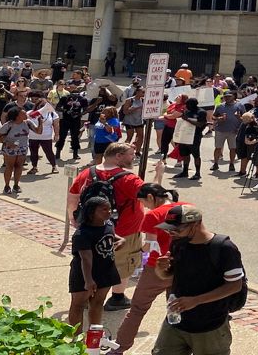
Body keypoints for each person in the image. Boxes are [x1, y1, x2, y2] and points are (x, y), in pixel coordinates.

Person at [152, 204, 247, 354]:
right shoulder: (178, 243)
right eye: (168, 229)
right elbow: (169, 275)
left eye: (177, 229)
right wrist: (160, 269)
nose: (171, 233)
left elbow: (235, 286)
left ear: (196, 224)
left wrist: (195, 300)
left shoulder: (223, 248)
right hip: (176, 321)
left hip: (210, 325)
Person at [66, 142, 146, 313]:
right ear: (118, 156)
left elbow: (73, 196)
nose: (134, 157)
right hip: (124, 231)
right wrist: (159, 176)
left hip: (91, 229)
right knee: (122, 264)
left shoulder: (87, 173)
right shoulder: (129, 179)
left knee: (91, 262)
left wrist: (74, 218)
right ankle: (117, 297)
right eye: (131, 154)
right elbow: (151, 197)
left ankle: (88, 296)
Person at [113, 183, 185, 353]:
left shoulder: (153, 215)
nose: (144, 207)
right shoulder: (187, 207)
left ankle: (120, 346)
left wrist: (137, 250)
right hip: (184, 265)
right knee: (176, 308)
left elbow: (151, 245)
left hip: (157, 268)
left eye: (144, 203)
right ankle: (178, 346)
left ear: (151, 198)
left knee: (137, 309)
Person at [67, 196, 122, 328]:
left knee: (98, 303)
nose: (109, 212)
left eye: (109, 209)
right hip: (84, 274)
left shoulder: (108, 224)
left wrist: (121, 241)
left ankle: (94, 336)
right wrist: (89, 280)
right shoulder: (82, 234)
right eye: (104, 210)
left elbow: (112, 236)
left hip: (106, 270)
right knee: (78, 305)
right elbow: (86, 258)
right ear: (91, 212)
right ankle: (76, 339)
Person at [0, 105, 41, 194]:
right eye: (23, 112)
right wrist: (7, 143)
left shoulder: (28, 123)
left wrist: (41, 122)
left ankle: (16, 185)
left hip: (22, 147)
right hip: (10, 149)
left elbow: (38, 131)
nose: (25, 113)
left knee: (19, 166)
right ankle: (7, 185)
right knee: (10, 166)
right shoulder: (9, 125)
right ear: (17, 116)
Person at [172, 98, 207, 180]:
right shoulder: (187, 111)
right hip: (184, 136)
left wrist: (187, 119)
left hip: (195, 136)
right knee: (185, 154)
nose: (186, 106)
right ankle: (185, 171)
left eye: (188, 105)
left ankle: (197, 173)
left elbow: (200, 124)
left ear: (194, 105)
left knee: (196, 155)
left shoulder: (201, 112)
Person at [211, 90, 243, 172]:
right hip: (220, 130)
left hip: (234, 130)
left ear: (233, 96)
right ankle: (215, 163)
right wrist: (219, 118)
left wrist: (239, 119)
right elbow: (213, 117)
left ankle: (231, 164)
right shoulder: (220, 106)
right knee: (218, 147)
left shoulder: (240, 105)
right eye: (225, 97)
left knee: (233, 148)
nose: (227, 98)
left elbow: (244, 117)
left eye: (229, 96)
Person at [27, 99, 60, 175]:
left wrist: (56, 134)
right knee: (33, 153)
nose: (44, 107)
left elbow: (56, 125)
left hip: (46, 137)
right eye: (42, 105)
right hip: (33, 136)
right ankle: (34, 167)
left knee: (49, 152)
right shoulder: (30, 113)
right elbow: (26, 121)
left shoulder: (52, 114)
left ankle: (54, 166)